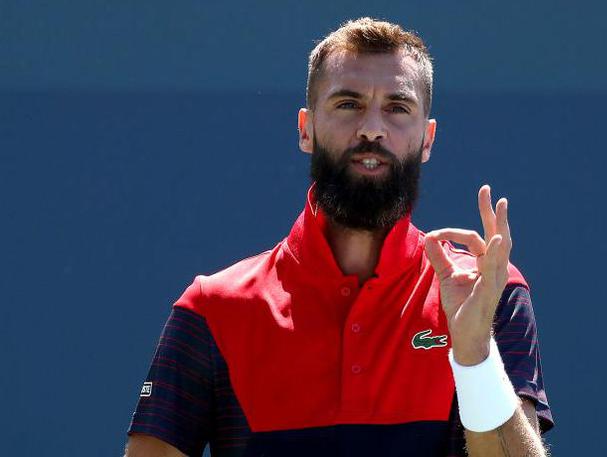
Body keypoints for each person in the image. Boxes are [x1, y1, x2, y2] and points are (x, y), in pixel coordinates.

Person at [124, 17, 554, 457]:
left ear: (427, 139)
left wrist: (475, 356)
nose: (372, 128)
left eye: (397, 107)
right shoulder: (212, 309)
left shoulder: (486, 293)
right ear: (305, 129)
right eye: (348, 104)